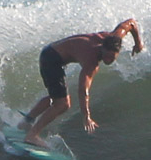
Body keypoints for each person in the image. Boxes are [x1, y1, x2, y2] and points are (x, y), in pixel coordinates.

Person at [19, 19, 144, 148]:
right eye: (106, 56)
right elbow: (83, 89)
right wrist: (86, 116)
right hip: (51, 59)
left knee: (55, 97)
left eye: (112, 57)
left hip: (51, 51)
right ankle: (32, 135)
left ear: (118, 51)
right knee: (63, 104)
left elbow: (131, 23)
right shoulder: (91, 60)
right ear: (102, 48)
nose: (108, 60)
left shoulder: (115, 38)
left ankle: (26, 122)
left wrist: (138, 43)